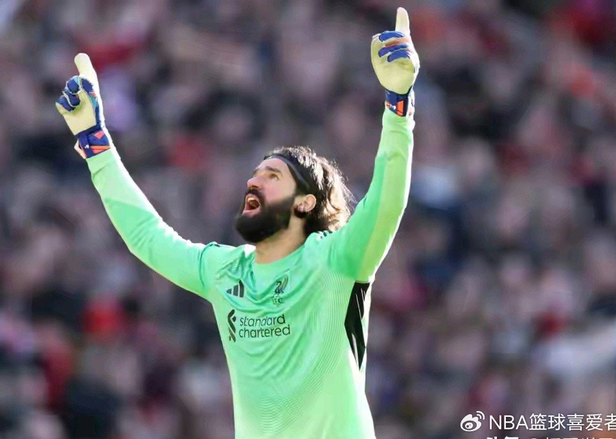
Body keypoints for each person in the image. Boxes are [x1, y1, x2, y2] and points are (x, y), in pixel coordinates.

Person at [55, 6, 418, 439]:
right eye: (255, 173)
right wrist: (96, 145)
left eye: (272, 176)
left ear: (305, 203)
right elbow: (147, 236)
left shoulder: (337, 261)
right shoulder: (224, 271)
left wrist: (398, 106)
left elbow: (386, 202)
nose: (253, 181)